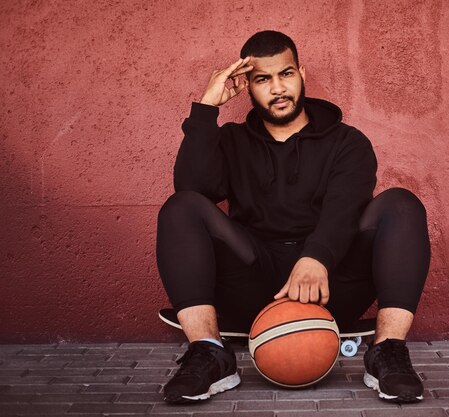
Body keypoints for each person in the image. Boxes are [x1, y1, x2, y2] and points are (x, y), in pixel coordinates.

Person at [156, 30, 431, 404]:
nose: (277, 88)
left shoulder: (348, 142)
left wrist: (316, 257)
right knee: (181, 207)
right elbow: (192, 189)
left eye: (285, 74)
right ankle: (209, 352)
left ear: (301, 73)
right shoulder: (232, 141)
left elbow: (345, 209)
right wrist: (207, 108)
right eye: (263, 79)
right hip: (255, 283)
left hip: (330, 284)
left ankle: (388, 352)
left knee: (401, 203)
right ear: (247, 87)